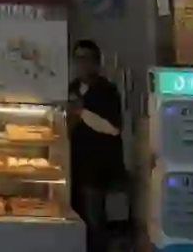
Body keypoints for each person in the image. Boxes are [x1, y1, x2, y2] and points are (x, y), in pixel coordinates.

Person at [68, 39, 125, 252]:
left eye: (87, 59)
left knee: (94, 220)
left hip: (98, 169)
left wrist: (81, 111)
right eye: (78, 59)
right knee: (76, 220)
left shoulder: (107, 91)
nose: (82, 64)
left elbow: (113, 128)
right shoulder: (72, 88)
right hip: (74, 166)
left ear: (97, 63)